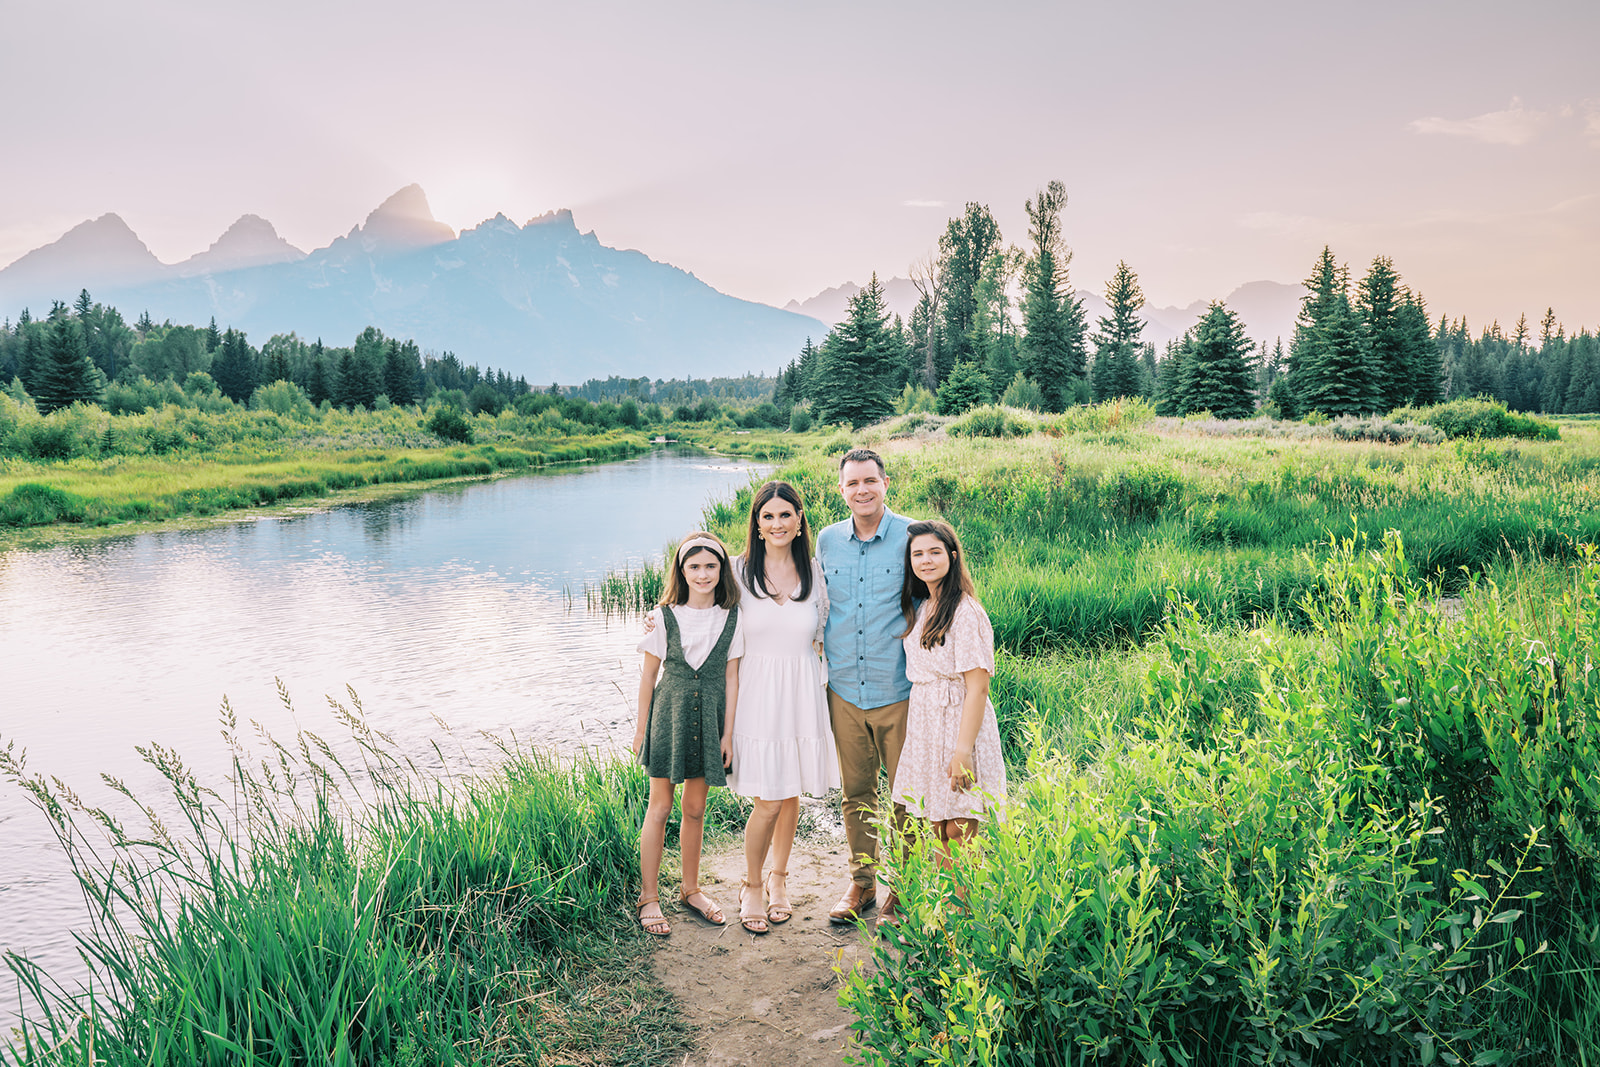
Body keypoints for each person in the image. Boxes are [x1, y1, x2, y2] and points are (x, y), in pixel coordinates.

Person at [725, 481, 839, 934]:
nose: (776, 523)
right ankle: (751, 884)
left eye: (785, 515)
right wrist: (660, 617)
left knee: (790, 792)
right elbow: (699, 607)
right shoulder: (737, 571)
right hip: (756, 694)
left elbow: (824, 631)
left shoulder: (814, 571)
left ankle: (779, 878)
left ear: (799, 522)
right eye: (767, 516)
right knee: (768, 800)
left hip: (802, 690)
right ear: (756, 523)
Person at [816, 448, 914, 925]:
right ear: (841, 490)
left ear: (885, 482)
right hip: (844, 691)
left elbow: (942, 593)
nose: (862, 491)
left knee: (906, 796)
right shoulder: (826, 540)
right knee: (856, 793)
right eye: (852, 484)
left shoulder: (913, 536)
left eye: (869, 481)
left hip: (898, 688)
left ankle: (909, 886)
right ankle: (862, 885)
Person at [632, 531, 744, 937]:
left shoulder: (733, 616)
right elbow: (648, 677)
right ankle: (649, 896)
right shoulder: (664, 616)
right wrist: (641, 727)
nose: (702, 574)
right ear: (681, 570)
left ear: (722, 569)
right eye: (694, 566)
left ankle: (690, 889)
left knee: (695, 807)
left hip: (711, 719)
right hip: (670, 717)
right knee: (660, 806)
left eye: (711, 566)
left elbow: (732, 678)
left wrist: (728, 734)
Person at [891, 519, 1007, 881]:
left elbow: (978, 687)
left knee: (959, 828)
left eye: (934, 552)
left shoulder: (965, 611)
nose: (926, 560)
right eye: (918, 554)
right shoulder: (925, 606)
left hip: (958, 722)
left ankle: (960, 921)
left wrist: (963, 750)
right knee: (938, 825)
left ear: (952, 556)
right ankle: (946, 918)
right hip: (927, 723)